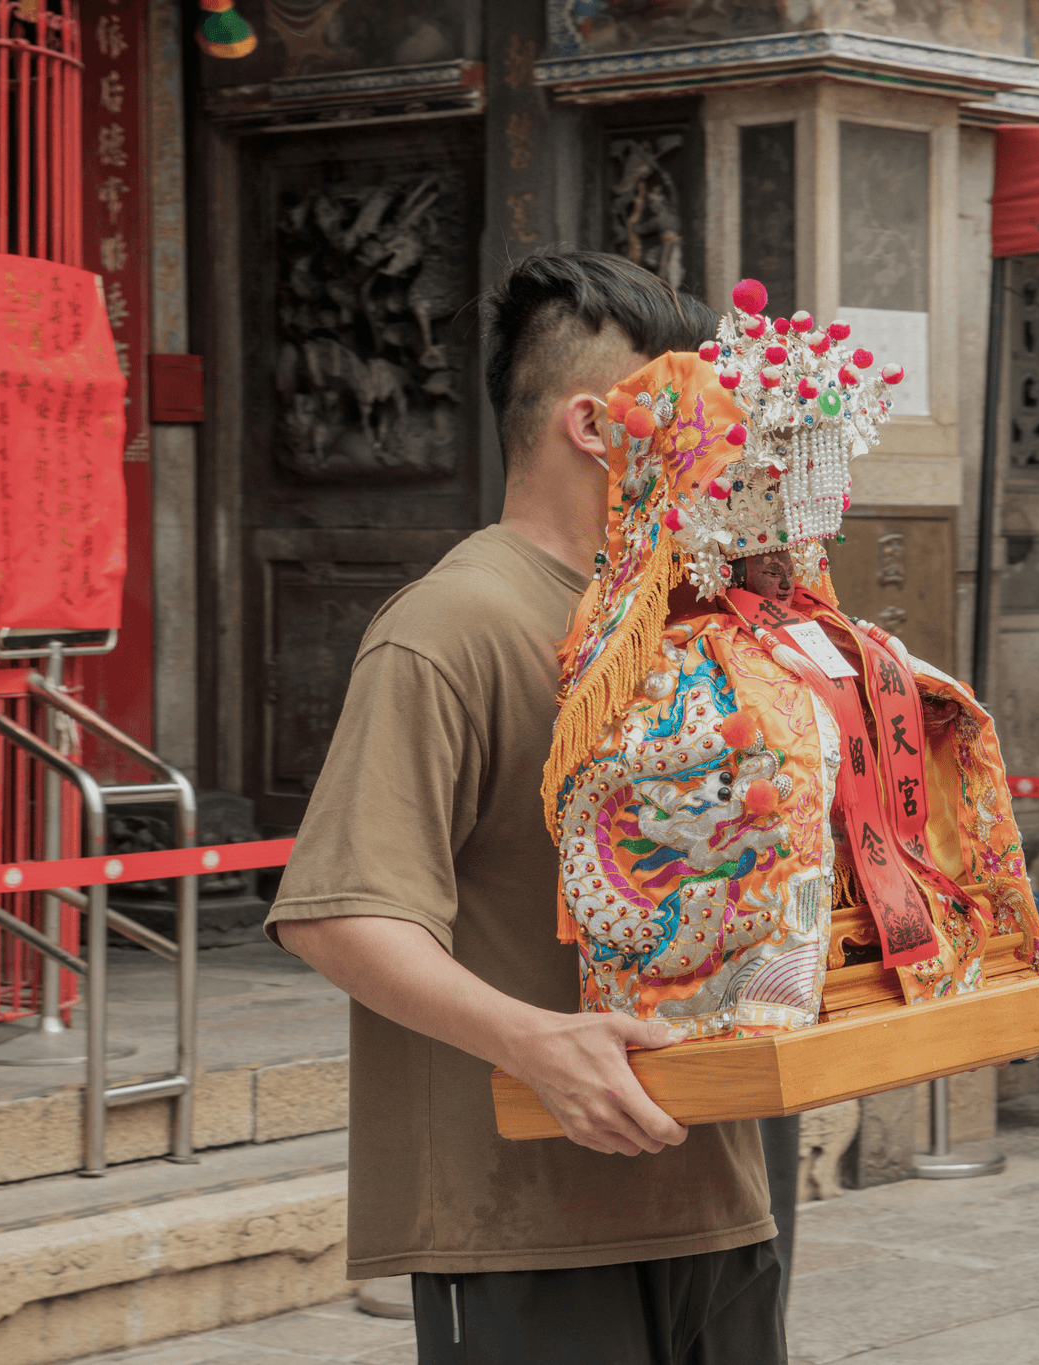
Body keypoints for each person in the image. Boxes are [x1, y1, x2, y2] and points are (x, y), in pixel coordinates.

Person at [265, 248, 787, 1363]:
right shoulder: (454, 623)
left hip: (716, 1188)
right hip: (524, 1219)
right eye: (696, 413)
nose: (725, 444)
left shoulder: (687, 617)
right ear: (597, 426)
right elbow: (336, 913)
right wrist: (532, 1042)